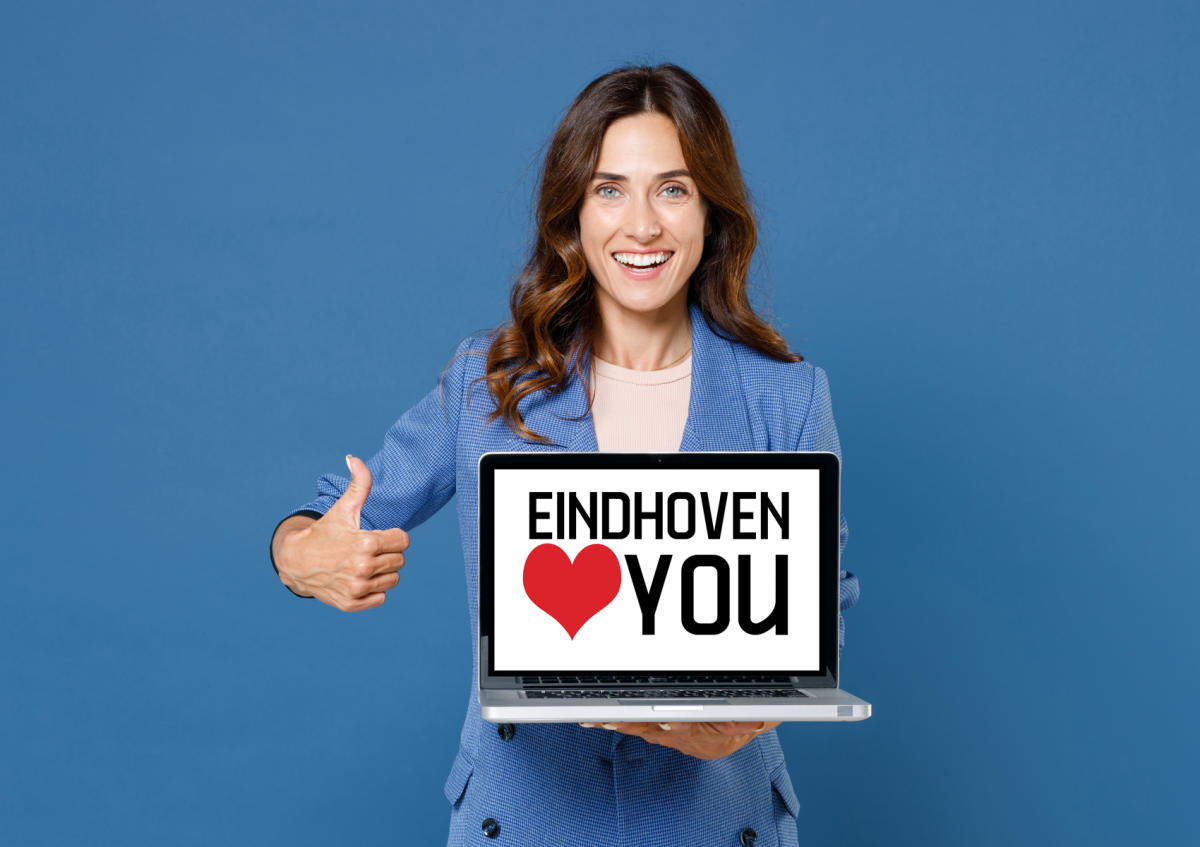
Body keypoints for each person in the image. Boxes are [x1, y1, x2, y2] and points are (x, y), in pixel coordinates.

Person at [271, 63, 858, 847]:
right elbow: (332, 517)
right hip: (526, 818)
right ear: (573, 212)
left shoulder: (788, 398)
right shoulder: (489, 384)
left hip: (718, 820)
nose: (641, 226)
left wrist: (750, 718)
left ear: (711, 211)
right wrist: (298, 554)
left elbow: (820, 607)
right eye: (610, 189)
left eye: (673, 189)